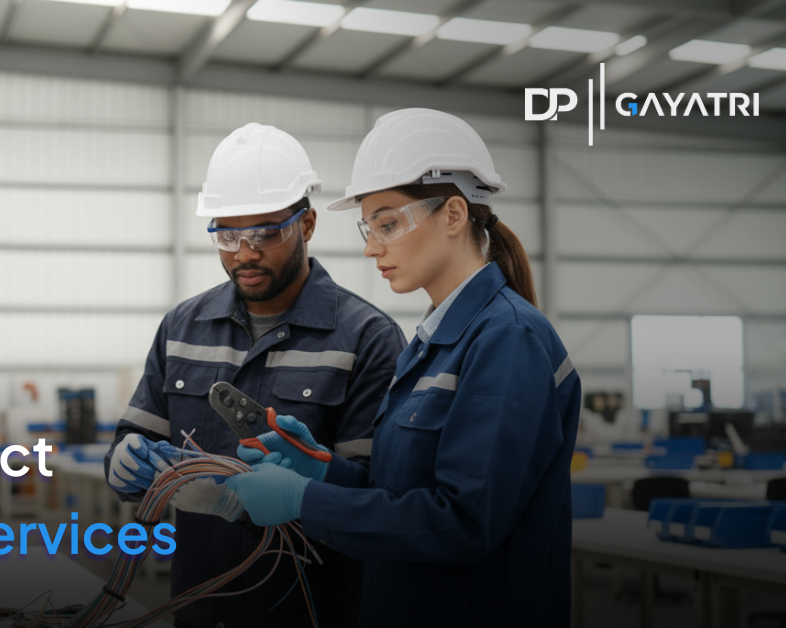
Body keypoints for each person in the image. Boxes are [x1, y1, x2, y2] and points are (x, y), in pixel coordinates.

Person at [226, 109, 582, 627]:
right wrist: (325, 470)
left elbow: (463, 522)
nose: (372, 247)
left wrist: (306, 501)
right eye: (368, 227)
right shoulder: (432, 343)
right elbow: (401, 491)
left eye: (388, 224)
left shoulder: (508, 340)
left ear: (455, 215)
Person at [105, 122, 406, 628]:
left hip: (309, 609)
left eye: (264, 233)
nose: (243, 253)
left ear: (306, 225)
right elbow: (137, 434)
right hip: (199, 607)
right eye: (227, 234)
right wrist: (124, 460)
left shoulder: (365, 338)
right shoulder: (183, 327)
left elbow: (378, 499)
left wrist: (295, 493)